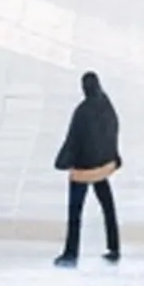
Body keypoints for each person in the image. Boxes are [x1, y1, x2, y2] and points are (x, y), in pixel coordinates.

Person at [53, 70, 122, 265]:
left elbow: (73, 139)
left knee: (75, 213)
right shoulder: (106, 105)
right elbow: (113, 131)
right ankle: (114, 247)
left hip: (83, 170)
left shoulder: (82, 111)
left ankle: (71, 253)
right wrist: (112, 156)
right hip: (101, 168)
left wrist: (63, 161)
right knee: (108, 208)